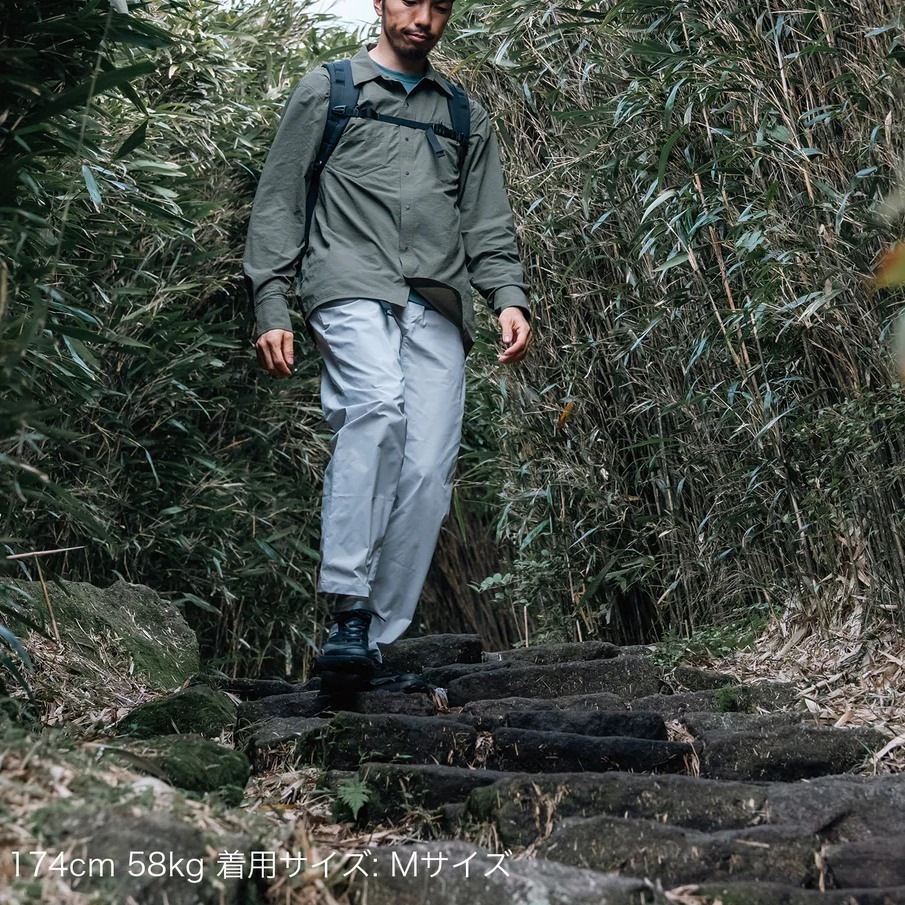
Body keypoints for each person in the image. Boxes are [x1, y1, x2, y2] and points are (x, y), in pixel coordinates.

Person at [243, 0, 531, 692]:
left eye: (439, 6)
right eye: (409, 1)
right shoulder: (329, 90)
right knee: (374, 407)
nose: (423, 18)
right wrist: (270, 299)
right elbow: (280, 198)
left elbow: (485, 221)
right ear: (380, 3)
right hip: (347, 281)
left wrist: (509, 296)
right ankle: (347, 602)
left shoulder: (464, 116)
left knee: (428, 470)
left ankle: (370, 634)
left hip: (435, 297)